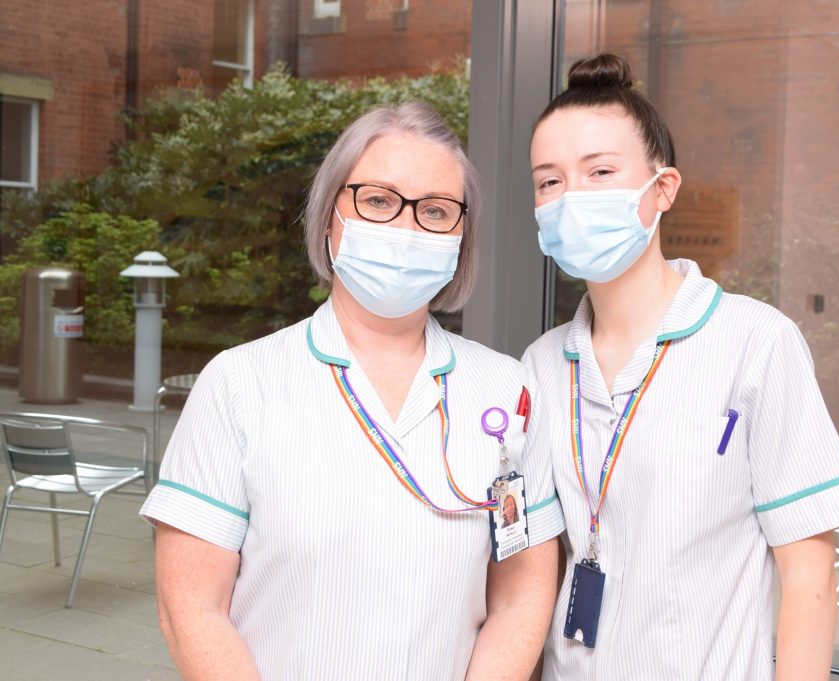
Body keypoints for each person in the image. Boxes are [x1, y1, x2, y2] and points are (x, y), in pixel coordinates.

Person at [141, 101, 565, 680]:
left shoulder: (506, 389)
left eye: (436, 211)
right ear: (328, 217)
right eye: (379, 200)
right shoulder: (240, 384)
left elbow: (519, 599)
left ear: (462, 238)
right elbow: (191, 608)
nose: (406, 227)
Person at [521, 54, 839, 680]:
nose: (571, 197)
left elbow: (808, 571)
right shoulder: (544, 364)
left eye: (600, 171)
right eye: (549, 182)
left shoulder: (755, 342)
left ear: (663, 189)